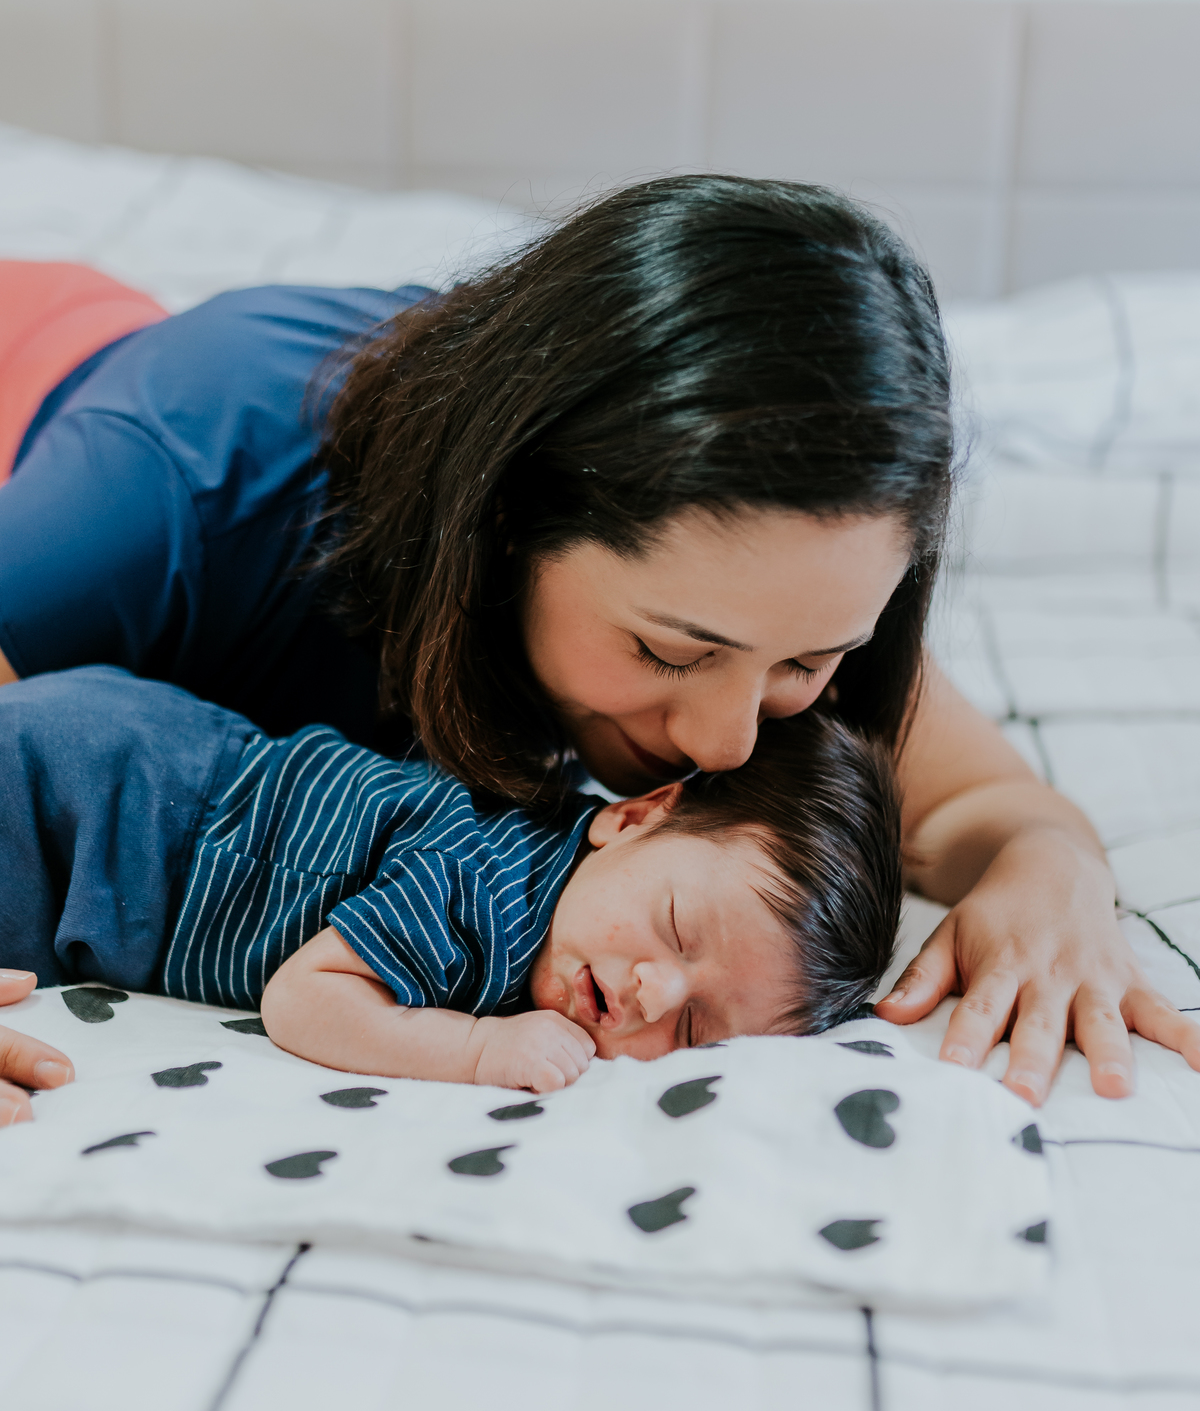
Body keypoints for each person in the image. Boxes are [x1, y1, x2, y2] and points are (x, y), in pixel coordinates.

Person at [0, 176, 1196, 1115]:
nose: (733, 738)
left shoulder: (772, 574)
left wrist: (1054, 872)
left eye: (806, 662)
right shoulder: (177, 481)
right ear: (509, 523)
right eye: (673, 653)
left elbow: (981, 800)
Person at [0, 667, 900, 1117]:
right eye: (673, 926)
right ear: (633, 818)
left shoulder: (557, 860)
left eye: (696, 1030)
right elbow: (302, 997)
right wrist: (474, 1052)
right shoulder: (494, 897)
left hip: (149, 752)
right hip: (113, 817)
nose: (654, 994)